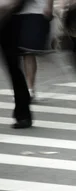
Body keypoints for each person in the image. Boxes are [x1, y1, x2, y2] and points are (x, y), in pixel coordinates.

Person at [0, 0, 32, 128]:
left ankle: (23, 113)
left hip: (9, 22)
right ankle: (23, 112)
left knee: (14, 68)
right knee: (14, 69)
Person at [17, 0, 54, 101]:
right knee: (16, 54)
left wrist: (49, 6)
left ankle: (30, 88)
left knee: (28, 52)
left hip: (35, 12)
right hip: (14, 12)